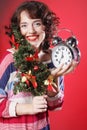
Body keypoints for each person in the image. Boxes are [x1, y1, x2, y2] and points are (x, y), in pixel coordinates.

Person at [0, 0, 78, 130]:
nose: (30, 30)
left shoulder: (54, 58)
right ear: (18, 29)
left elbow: (55, 105)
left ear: (46, 26)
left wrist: (52, 78)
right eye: (24, 25)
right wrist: (27, 108)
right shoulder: (10, 61)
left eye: (36, 23)